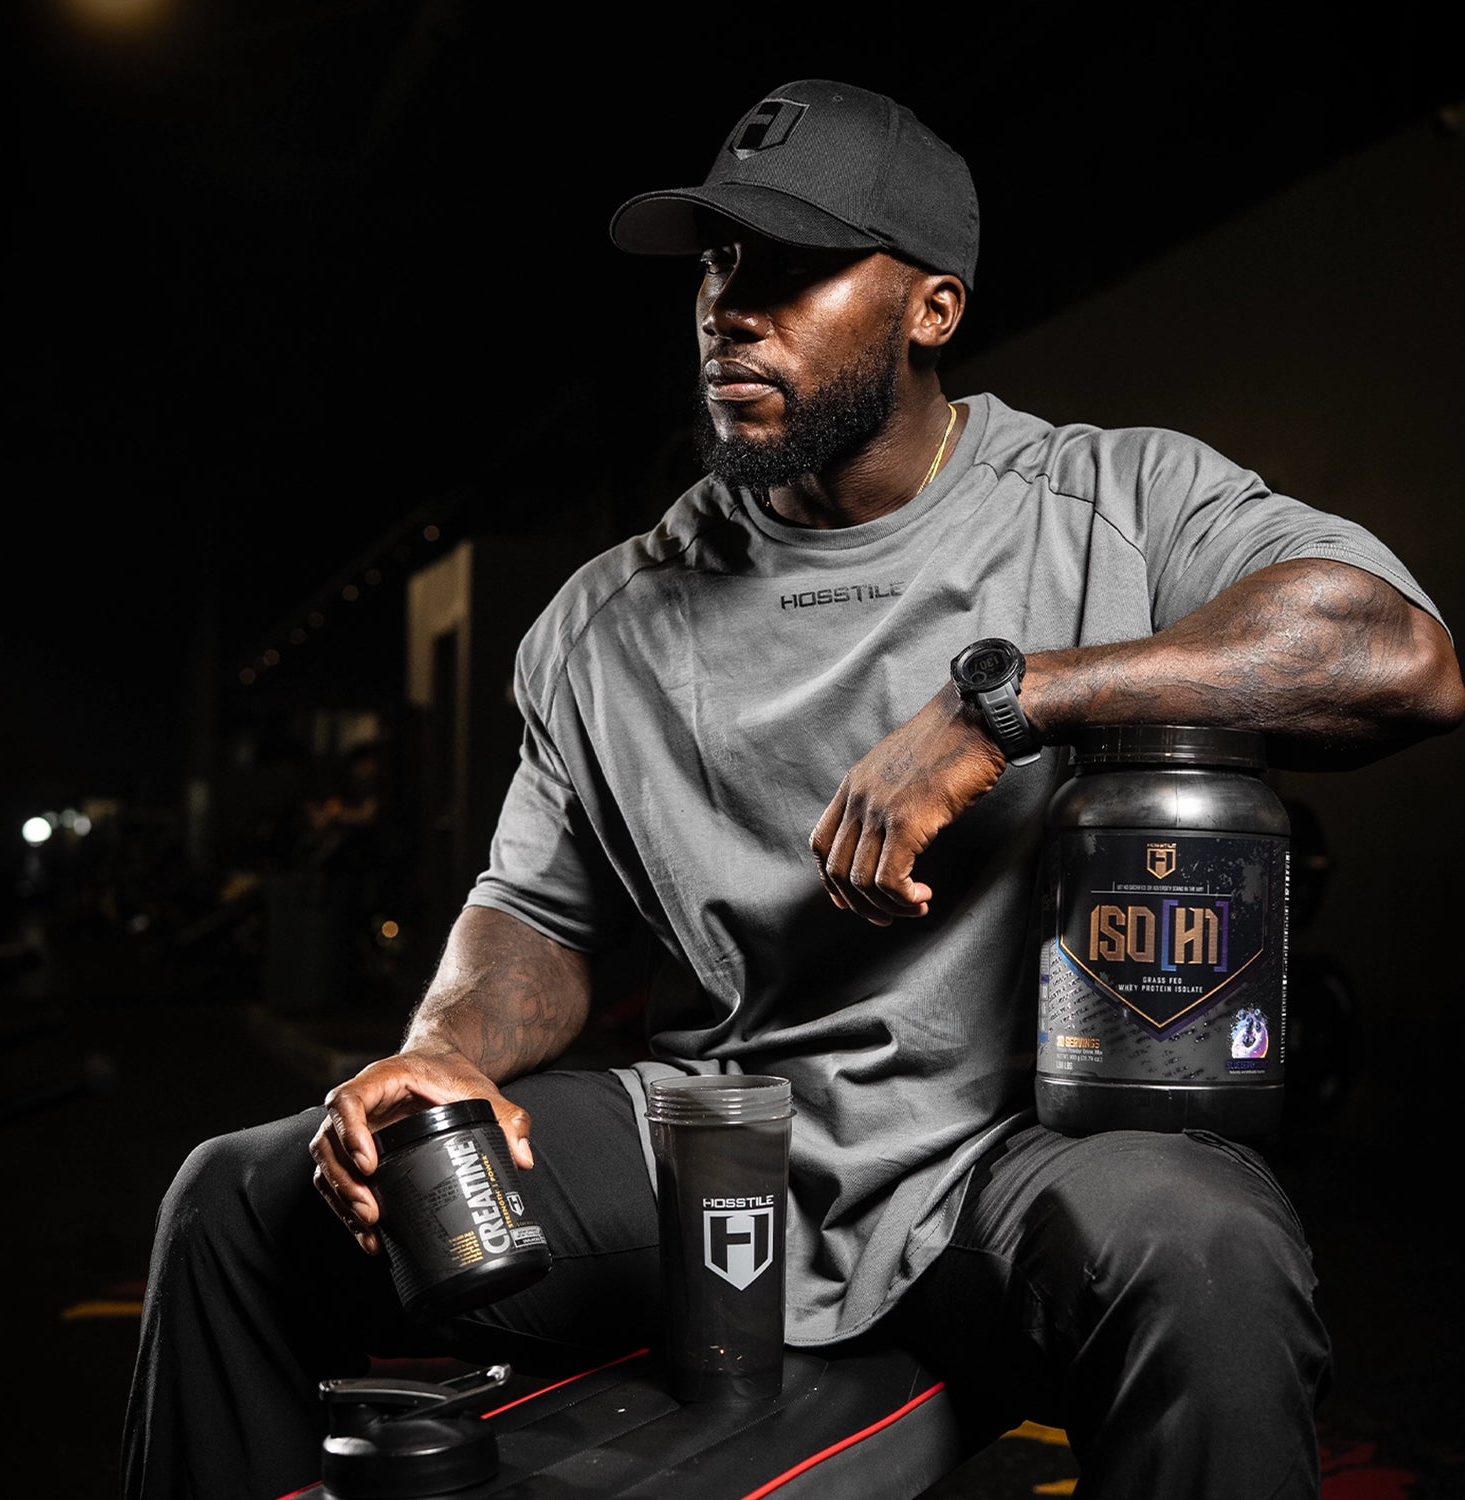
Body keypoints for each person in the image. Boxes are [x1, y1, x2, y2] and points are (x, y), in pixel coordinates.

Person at [122, 79, 1464, 1500]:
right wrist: (443, 1048)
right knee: (236, 1201)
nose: (729, 307)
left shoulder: (1116, 501)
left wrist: (1008, 704)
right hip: (715, 1149)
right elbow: (537, 913)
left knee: (1204, 1244)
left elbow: (1401, 659)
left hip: (1005, 1171)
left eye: (795, 266)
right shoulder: (602, 621)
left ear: (931, 308)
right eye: (716, 262)